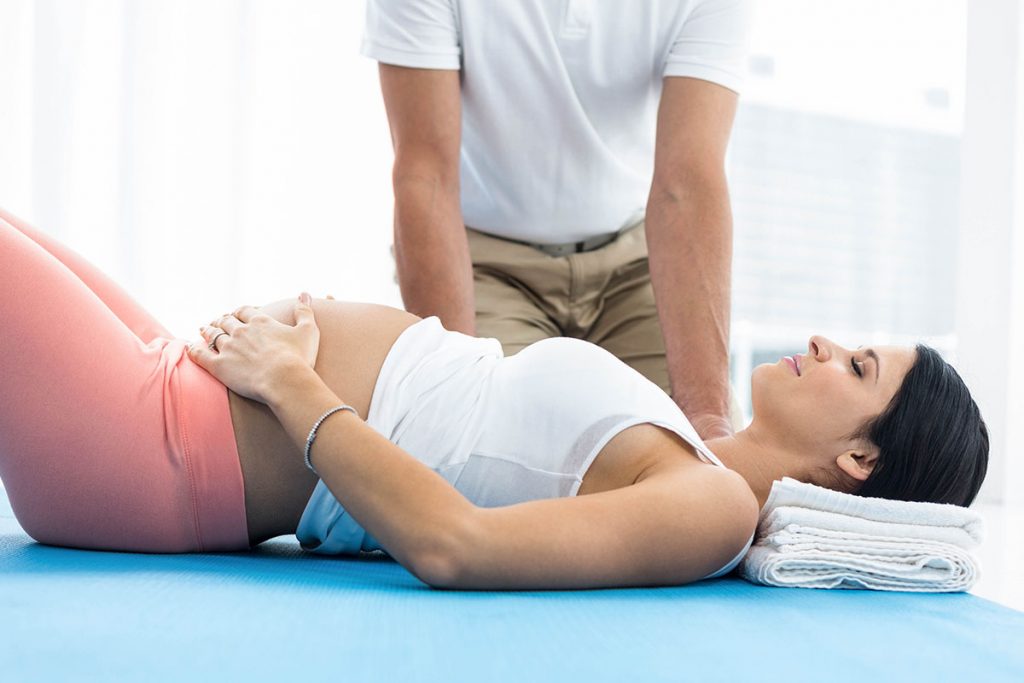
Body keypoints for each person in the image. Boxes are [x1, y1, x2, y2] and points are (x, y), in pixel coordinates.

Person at [0, 209, 988, 590]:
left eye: (857, 367)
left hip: (163, 447)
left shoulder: (714, 508)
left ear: (858, 460)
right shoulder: (694, 447)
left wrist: (293, 382)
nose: (823, 342)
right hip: (181, 381)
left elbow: (455, 544)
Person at [369, 0, 752, 440]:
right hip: (486, 265)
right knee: (492, 444)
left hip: (634, 265)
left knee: (701, 457)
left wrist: (708, 423)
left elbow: (686, 185)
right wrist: (457, 407)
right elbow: (426, 178)